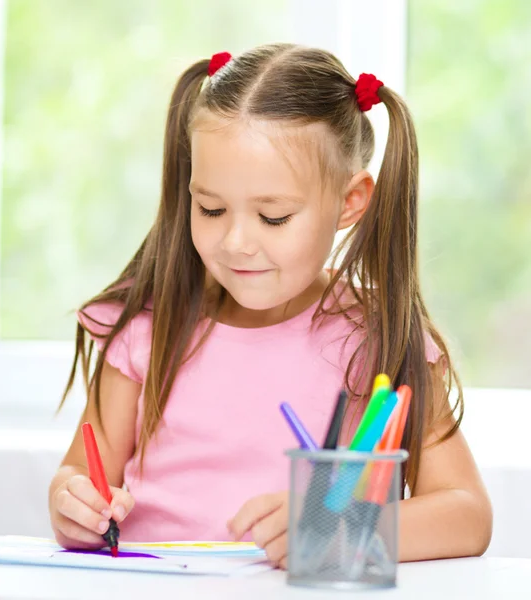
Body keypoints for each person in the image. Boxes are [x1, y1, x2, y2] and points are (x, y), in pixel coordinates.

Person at [48, 44, 492, 569]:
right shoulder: (146, 327)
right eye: (210, 208)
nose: (236, 241)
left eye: (273, 217)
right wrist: (73, 504)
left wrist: (339, 528)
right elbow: (79, 472)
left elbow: (467, 515)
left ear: (349, 201)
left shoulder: (377, 336)